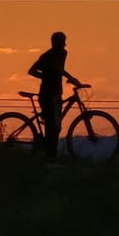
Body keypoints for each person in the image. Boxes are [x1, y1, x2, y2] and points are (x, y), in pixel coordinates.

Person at [28, 31, 82, 159]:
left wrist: (47, 76)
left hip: (54, 93)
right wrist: (71, 78)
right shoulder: (53, 55)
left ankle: (50, 154)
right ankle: (50, 155)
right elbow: (57, 69)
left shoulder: (54, 54)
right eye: (63, 41)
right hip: (49, 94)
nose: (65, 44)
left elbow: (55, 70)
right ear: (57, 42)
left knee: (54, 126)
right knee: (53, 125)